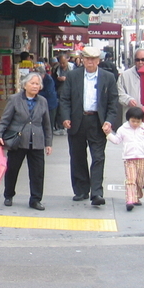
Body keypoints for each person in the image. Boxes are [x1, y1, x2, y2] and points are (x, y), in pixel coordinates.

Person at [58, 45, 119, 206]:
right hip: (77, 120)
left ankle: (97, 192)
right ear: (82, 60)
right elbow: (65, 98)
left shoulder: (108, 77)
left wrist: (109, 121)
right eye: (87, 59)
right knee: (77, 156)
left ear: (98, 60)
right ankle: (81, 190)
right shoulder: (73, 76)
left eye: (93, 59)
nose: (90, 62)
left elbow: (113, 102)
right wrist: (65, 117)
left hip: (97, 122)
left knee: (98, 157)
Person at [0, 72, 53, 210]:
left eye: (37, 84)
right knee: (12, 169)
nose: (35, 86)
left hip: (37, 141)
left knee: (37, 173)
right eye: (32, 83)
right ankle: (8, 195)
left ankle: (35, 199)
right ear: (25, 85)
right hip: (18, 140)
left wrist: (48, 143)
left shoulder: (42, 101)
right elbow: (5, 119)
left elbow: (47, 124)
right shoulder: (15, 99)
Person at [103, 106, 144, 211]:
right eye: (133, 121)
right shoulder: (123, 129)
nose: (135, 124)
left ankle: (136, 196)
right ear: (128, 119)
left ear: (141, 120)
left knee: (140, 181)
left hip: (142, 158)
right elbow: (116, 140)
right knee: (131, 179)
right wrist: (108, 134)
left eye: (138, 121)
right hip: (129, 158)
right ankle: (130, 200)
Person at [52, 53, 72, 134]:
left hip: (70, 91)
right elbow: (53, 81)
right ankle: (60, 126)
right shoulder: (56, 69)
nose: (62, 65)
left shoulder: (73, 68)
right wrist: (58, 79)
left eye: (64, 63)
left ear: (67, 60)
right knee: (60, 109)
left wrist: (66, 79)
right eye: (60, 63)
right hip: (60, 91)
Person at [37, 63, 58, 132]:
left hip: (50, 104)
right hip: (43, 104)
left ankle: (49, 137)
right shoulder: (40, 80)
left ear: (43, 74)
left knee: (49, 124)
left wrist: (37, 93)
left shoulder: (49, 80)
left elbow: (48, 92)